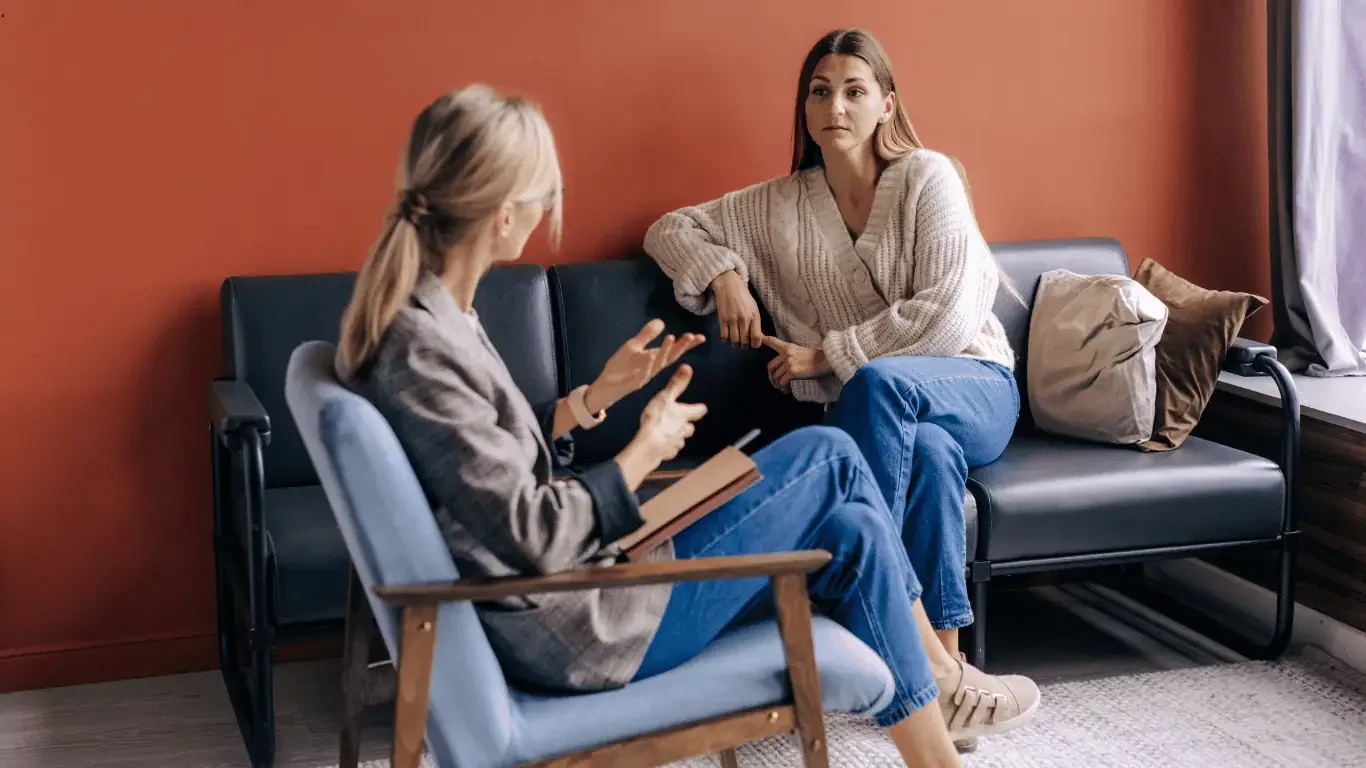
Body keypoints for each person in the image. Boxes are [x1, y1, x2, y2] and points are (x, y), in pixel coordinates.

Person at [335, 84, 1037, 766]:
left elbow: (491, 462)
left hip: (589, 581)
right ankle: (939, 675)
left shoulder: (437, 318)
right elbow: (531, 532)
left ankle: (934, 742)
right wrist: (641, 454)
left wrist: (595, 398)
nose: (549, 206)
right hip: (585, 623)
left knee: (852, 526)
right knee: (828, 456)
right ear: (501, 213)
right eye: (544, 192)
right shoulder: (420, 349)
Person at [644, 28, 1019, 672]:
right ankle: (946, 667)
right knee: (929, 454)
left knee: (878, 383)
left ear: (887, 105)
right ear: (805, 107)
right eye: (820, 92)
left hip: (974, 384)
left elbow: (948, 315)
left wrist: (823, 358)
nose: (835, 107)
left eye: (854, 91)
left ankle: (881, 613)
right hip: (890, 416)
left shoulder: (928, 177)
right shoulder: (779, 205)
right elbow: (670, 228)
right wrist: (724, 276)